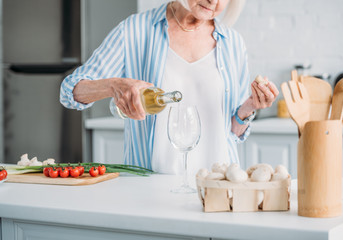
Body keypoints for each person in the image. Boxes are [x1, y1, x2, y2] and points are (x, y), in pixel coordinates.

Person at [60, 0, 279, 175]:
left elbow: (233, 130)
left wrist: (250, 106)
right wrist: (113, 85)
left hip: (218, 185)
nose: (214, 1)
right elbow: (70, 91)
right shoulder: (135, 30)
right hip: (149, 188)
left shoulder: (232, 42)